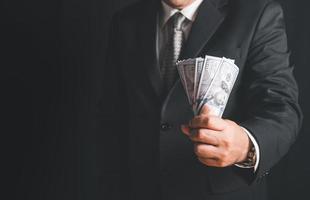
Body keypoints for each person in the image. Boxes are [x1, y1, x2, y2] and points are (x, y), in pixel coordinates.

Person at [98, 0, 303, 199]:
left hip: (220, 191)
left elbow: (281, 107)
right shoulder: (125, 21)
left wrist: (246, 146)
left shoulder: (258, 13)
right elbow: (113, 116)